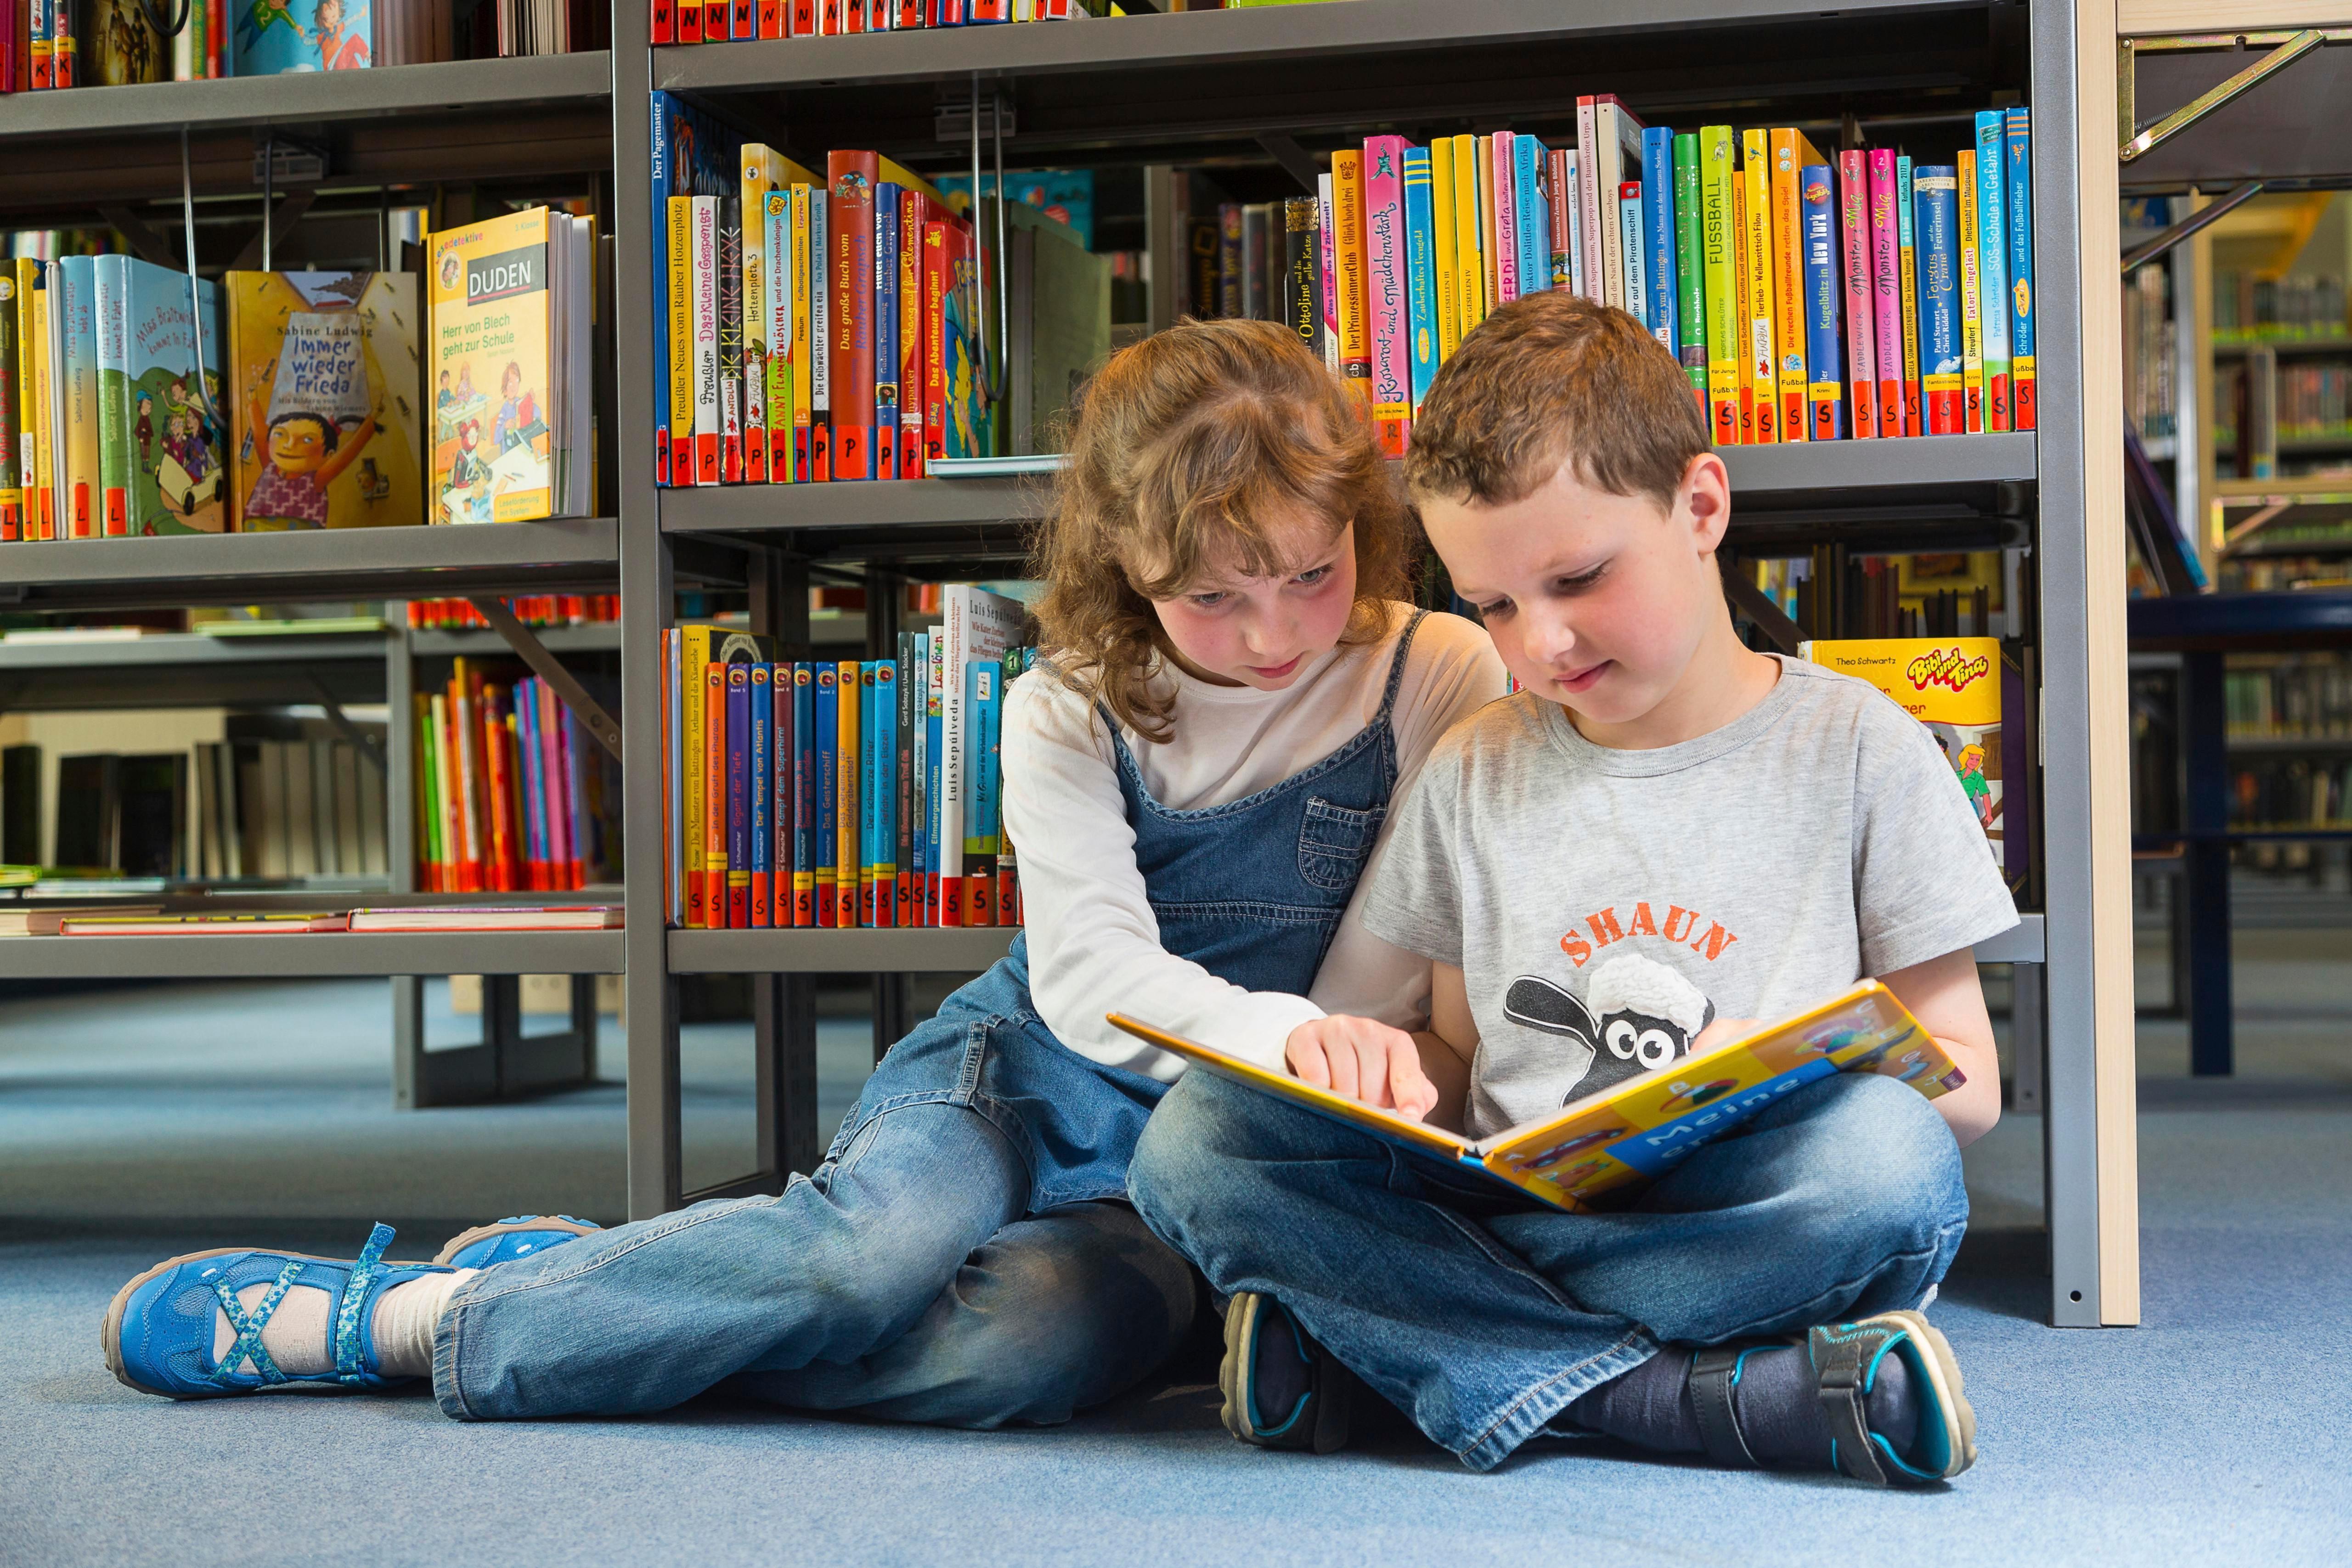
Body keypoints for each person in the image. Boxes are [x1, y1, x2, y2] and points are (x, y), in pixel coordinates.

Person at [102, 317, 1509, 1429]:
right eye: (1209, 596)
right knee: (859, 1263)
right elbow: (1090, 982)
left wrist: (1290, 1082)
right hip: (1027, 1077)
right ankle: (403, 1322)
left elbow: (1374, 984)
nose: (1272, 635)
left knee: (1024, 1344)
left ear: (1360, 522)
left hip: (1226, 1146)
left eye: (1310, 575)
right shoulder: (1064, 703)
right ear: (1126, 564)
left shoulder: (1434, 669)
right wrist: (1291, 1039)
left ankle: (606, 1288)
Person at [1126, 293, 2019, 1483]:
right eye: (1494, 606)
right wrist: (1380, 1071)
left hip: (1735, 1206)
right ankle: (1685, 1398)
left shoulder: (1861, 748)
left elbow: (1966, 1082)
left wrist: (1783, 1074)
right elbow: (1459, 1061)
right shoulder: (1475, 768)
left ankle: (1413, 1343)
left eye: (1580, 578)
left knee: (1891, 1170)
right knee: (1195, 1141)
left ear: (1700, 508)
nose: (1541, 643)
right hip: (1513, 1205)